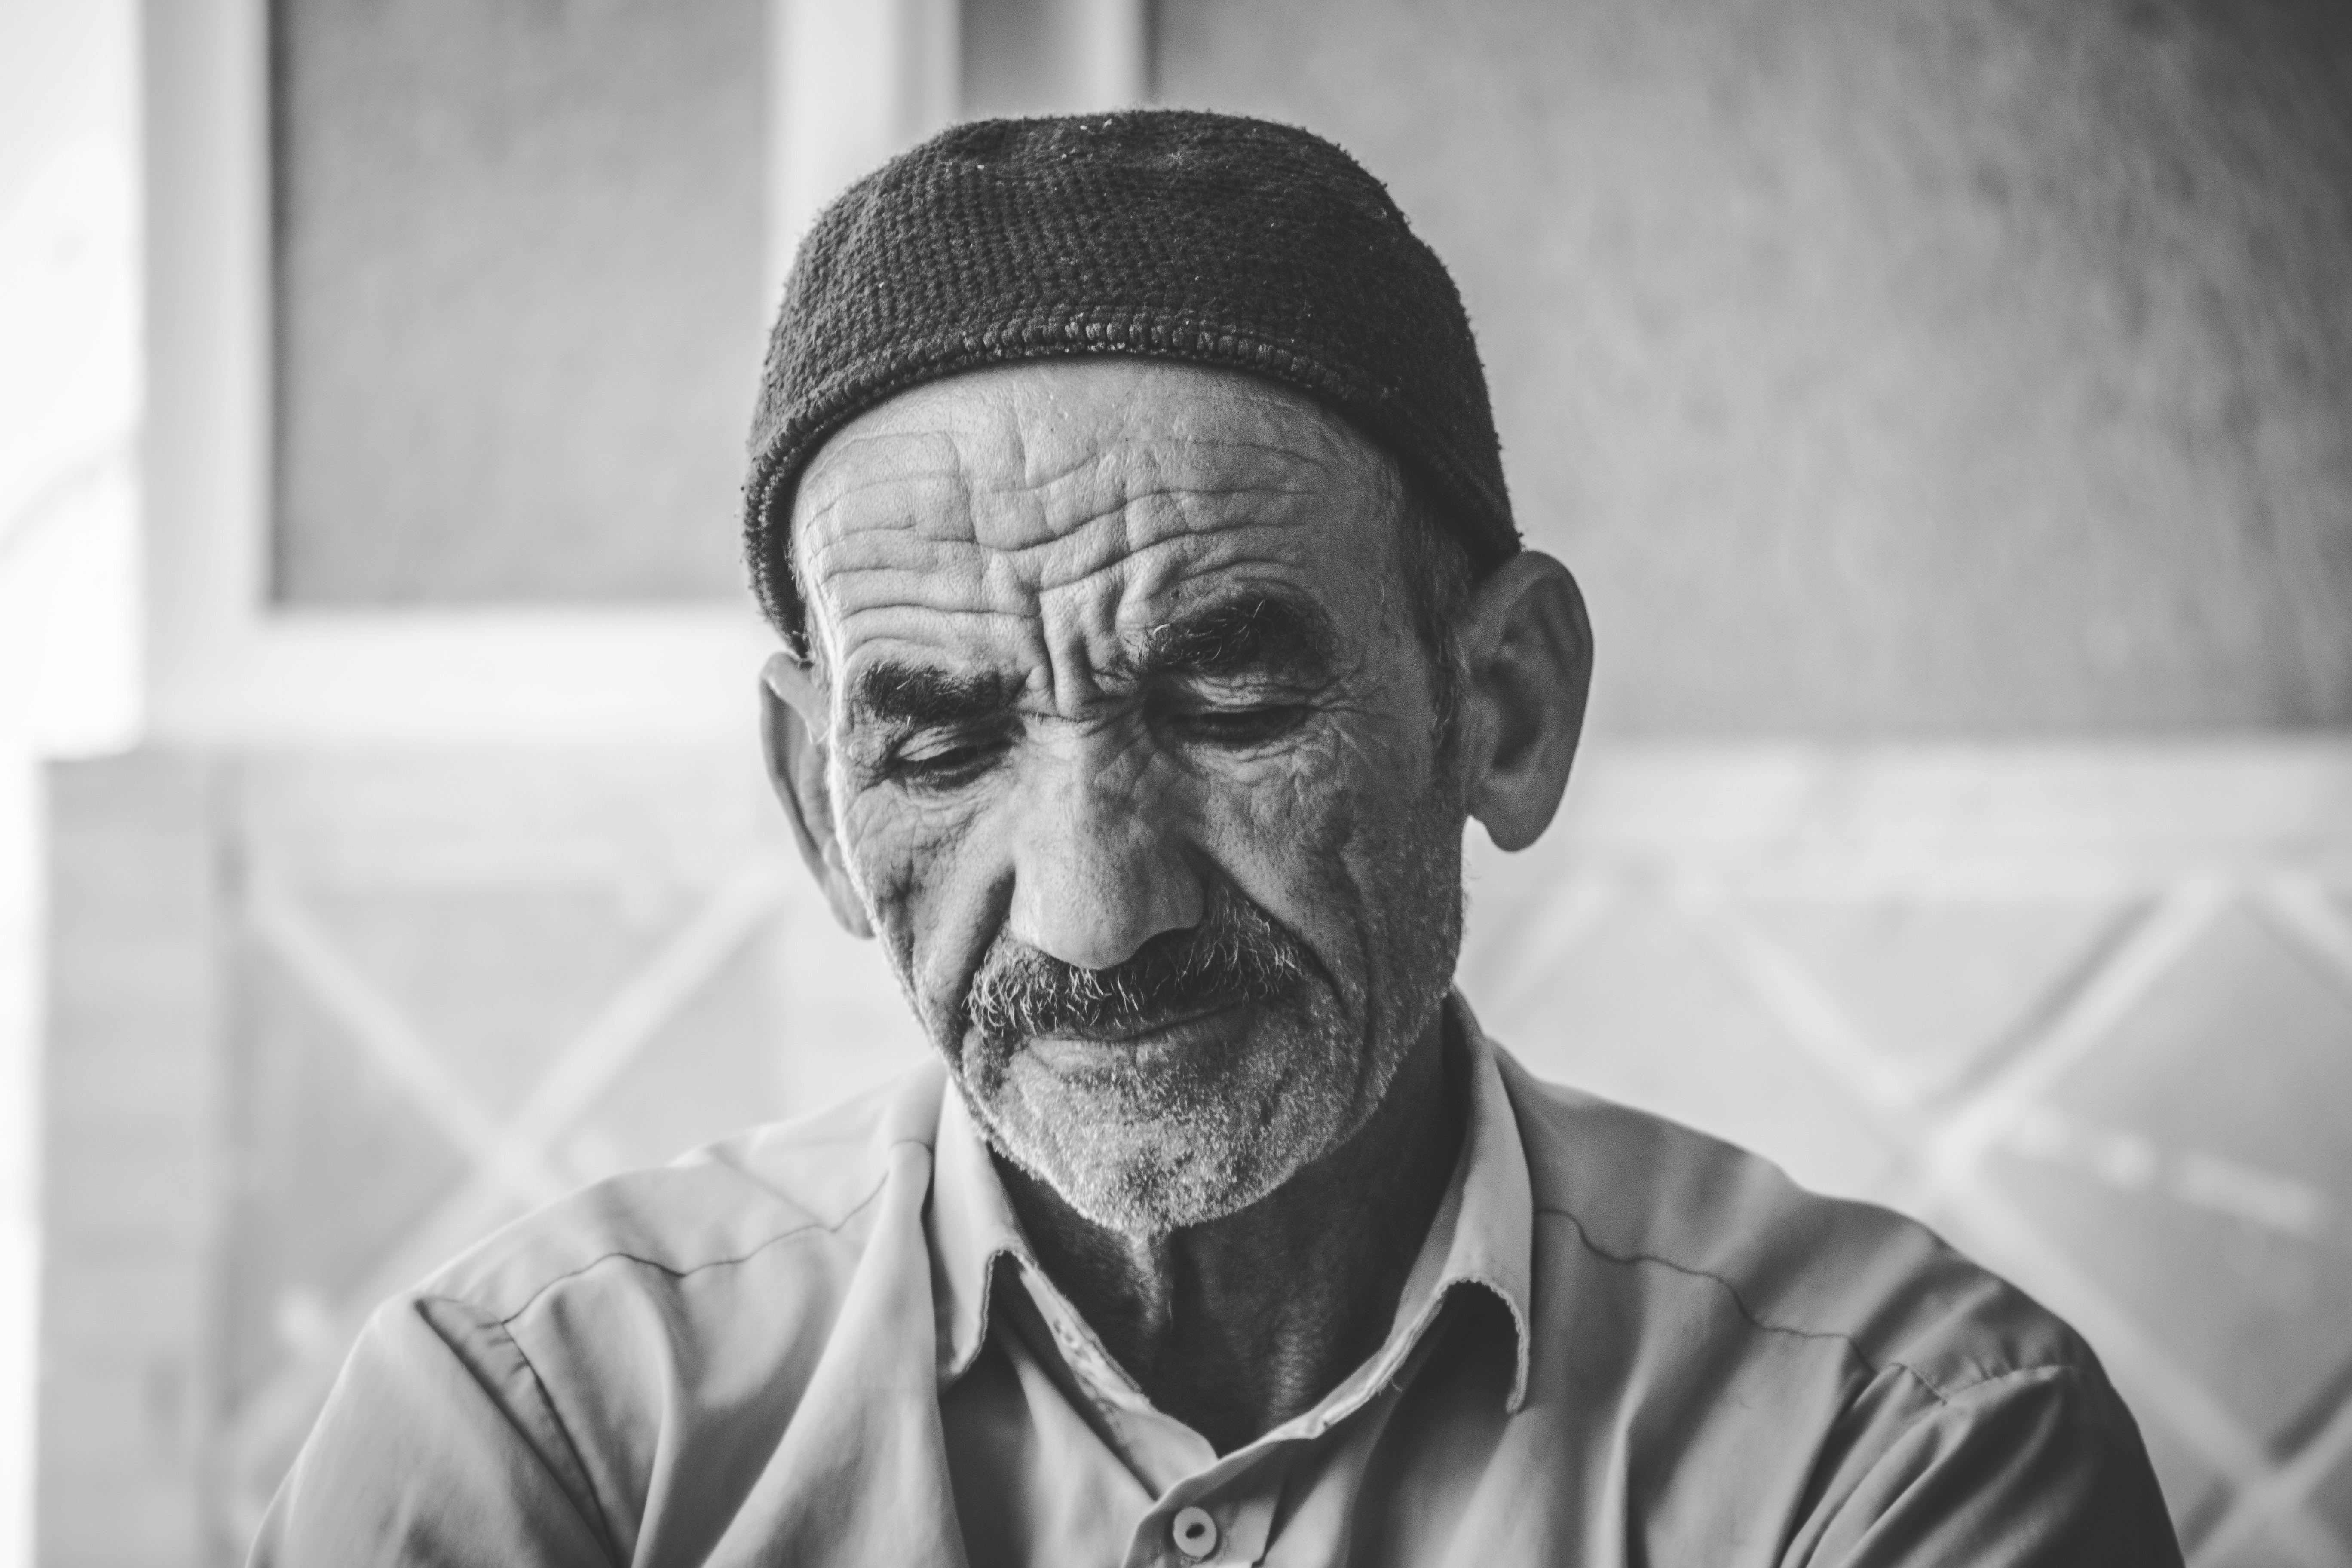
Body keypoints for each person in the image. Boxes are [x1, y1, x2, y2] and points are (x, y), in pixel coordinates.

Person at [254, 110, 2181, 1566]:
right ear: (815, 807)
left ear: (1499, 708)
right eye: (938, 744)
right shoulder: (544, 1434)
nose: (1095, 915)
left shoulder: (1902, 1447)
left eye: (1232, 705)